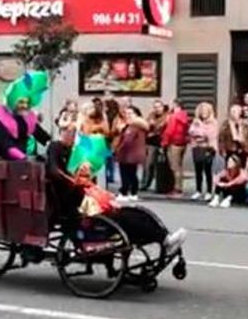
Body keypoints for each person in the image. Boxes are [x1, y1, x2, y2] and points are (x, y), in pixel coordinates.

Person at [46, 124, 187, 254]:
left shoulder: (77, 163)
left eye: (73, 133)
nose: (72, 136)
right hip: (83, 206)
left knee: (138, 213)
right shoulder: (57, 152)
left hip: (93, 200)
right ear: (62, 133)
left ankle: (165, 237)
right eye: (68, 133)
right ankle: (164, 239)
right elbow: (55, 171)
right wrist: (74, 181)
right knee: (128, 219)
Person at [114, 107, 149, 202]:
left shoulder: (133, 126)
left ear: (136, 115)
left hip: (128, 154)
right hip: (134, 154)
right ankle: (133, 192)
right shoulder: (140, 126)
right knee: (132, 174)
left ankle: (124, 192)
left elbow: (127, 141)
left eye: (130, 113)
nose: (127, 115)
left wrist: (117, 150)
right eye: (126, 113)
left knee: (125, 174)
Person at [188, 102, 220, 201]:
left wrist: (200, 130)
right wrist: (199, 133)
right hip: (197, 148)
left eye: (205, 111)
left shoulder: (213, 122)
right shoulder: (195, 121)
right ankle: (198, 190)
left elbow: (210, 135)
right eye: (202, 111)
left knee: (208, 170)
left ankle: (209, 191)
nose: (203, 113)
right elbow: (191, 132)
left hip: (208, 148)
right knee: (198, 171)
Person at [161, 98, 189, 195]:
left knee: (174, 166)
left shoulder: (174, 117)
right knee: (179, 166)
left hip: (173, 143)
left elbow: (169, 131)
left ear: (175, 105)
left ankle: (177, 188)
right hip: (182, 143)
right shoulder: (184, 116)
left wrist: (164, 143)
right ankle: (179, 187)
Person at [218, 103, 248, 173]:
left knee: (242, 169)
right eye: (232, 112)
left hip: (243, 149)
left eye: (236, 111)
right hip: (230, 149)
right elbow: (221, 138)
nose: (234, 114)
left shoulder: (245, 124)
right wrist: (222, 150)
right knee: (230, 168)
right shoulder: (226, 124)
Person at [142, 100, 168, 191]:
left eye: (159, 107)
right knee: (148, 164)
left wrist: (154, 127)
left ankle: (160, 186)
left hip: (161, 142)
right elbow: (146, 125)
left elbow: (161, 127)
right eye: (155, 107)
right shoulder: (151, 115)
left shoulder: (166, 116)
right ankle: (145, 183)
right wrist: (150, 125)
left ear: (163, 107)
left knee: (160, 165)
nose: (157, 109)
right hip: (150, 143)